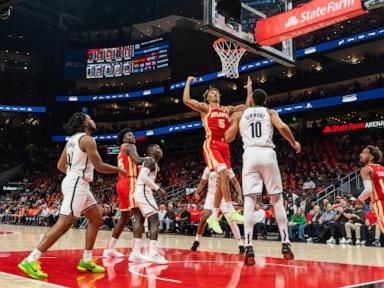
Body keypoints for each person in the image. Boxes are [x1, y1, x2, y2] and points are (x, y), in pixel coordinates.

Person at [18, 112, 127, 279]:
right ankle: (31, 259)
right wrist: (119, 169)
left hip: (76, 182)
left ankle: (86, 260)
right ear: (84, 123)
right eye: (90, 118)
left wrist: (73, 173)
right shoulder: (87, 139)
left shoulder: (71, 141)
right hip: (77, 183)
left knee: (96, 219)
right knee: (64, 224)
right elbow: (99, 166)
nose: (93, 120)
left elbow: (60, 165)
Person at [225, 88, 301, 265]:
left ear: (250, 100)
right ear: (265, 100)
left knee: (250, 201)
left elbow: (228, 138)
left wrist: (231, 123)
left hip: (250, 155)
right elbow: (282, 127)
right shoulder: (270, 112)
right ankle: (285, 243)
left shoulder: (240, 115)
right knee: (277, 200)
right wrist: (294, 143)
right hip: (268, 154)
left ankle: (249, 245)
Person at [183, 76, 253, 234]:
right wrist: (188, 82)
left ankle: (214, 216)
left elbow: (247, 106)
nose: (215, 94)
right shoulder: (205, 108)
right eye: (212, 93)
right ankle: (230, 209)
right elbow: (186, 100)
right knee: (222, 173)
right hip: (212, 144)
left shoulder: (226, 109)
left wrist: (249, 89)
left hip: (225, 145)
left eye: (217, 93)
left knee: (225, 177)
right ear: (207, 97)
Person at [103, 128, 148, 258]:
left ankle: (110, 249)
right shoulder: (129, 146)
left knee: (124, 218)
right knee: (139, 216)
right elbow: (138, 160)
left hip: (121, 183)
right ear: (123, 139)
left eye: (133, 134)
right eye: (129, 135)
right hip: (130, 182)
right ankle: (136, 252)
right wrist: (152, 158)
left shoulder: (123, 149)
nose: (133, 136)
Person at [191, 167, 244, 254]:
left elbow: (235, 182)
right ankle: (197, 240)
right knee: (204, 218)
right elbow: (202, 182)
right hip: (211, 196)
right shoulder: (208, 168)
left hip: (223, 196)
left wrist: (240, 195)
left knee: (231, 220)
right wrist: (197, 192)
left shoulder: (227, 167)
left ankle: (240, 244)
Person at [130, 144, 167, 264]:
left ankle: (135, 253)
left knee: (139, 220)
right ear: (150, 151)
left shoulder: (151, 161)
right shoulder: (150, 160)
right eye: (156, 148)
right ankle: (152, 253)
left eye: (160, 148)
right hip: (143, 192)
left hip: (142, 191)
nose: (159, 150)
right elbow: (142, 177)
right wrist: (158, 188)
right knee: (154, 219)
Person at [357, 145, 384, 234]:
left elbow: (368, 189)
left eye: (364, 153)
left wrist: (360, 199)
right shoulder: (382, 168)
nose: (361, 154)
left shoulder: (366, 169)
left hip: (380, 203)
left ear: (371, 157)